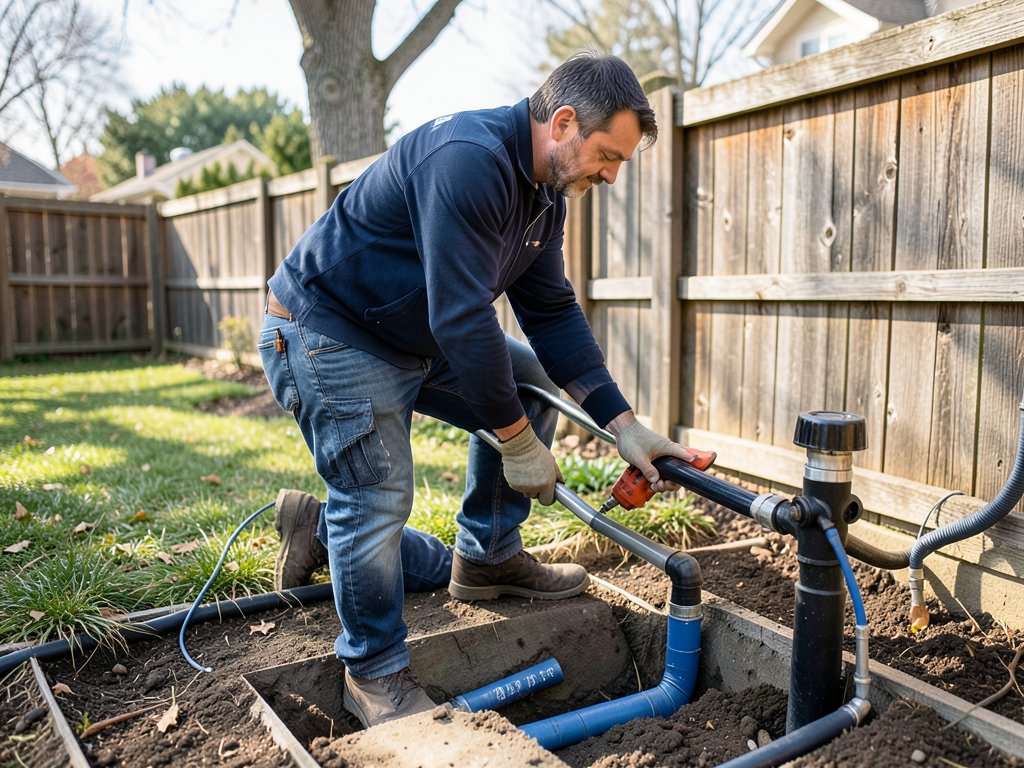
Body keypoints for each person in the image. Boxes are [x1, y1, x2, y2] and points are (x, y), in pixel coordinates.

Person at [259, 51, 698, 730]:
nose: (610, 175)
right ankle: (373, 675)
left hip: (406, 338)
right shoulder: (467, 159)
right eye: (608, 155)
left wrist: (623, 423)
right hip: (327, 333)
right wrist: (518, 446)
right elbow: (460, 317)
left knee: (527, 387)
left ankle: (486, 557)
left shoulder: (542, 195)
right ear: (562, 122)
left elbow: (549, 310)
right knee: (376, 493)